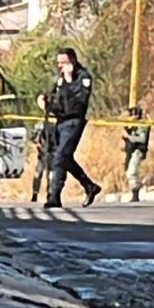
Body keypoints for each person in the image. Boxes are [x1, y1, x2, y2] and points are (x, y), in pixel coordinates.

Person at [37, 48, 102, 208]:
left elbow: (78, 103)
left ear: (72, 61)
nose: (60, 66)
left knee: (60, 156)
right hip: (60, 122)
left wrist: (68, 79)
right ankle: (89, 186)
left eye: (63, 62)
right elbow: (56, 100)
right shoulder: (60, 80)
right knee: (64, 158)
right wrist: (45, 102)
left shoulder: (83, 78)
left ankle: (54, 196)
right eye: (58, 63)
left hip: (73, 122)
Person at [122, 106, 152, 203]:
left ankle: (136, 194)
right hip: (133, 151)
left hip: (138, 151)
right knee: (129, 172)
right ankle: (135, 193)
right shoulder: (134, 125)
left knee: (132, 172)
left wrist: (129, 137)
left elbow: (142, 139)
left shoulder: (142, 125)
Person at [28, 119, 56, 202]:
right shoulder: (41, 124)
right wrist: (38, 144)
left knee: (50, 174)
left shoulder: (58, 125)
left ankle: (49, 193)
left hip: (52, 153)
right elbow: (34, 137)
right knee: (38, 174)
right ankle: (35, 193)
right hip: (43, 153)